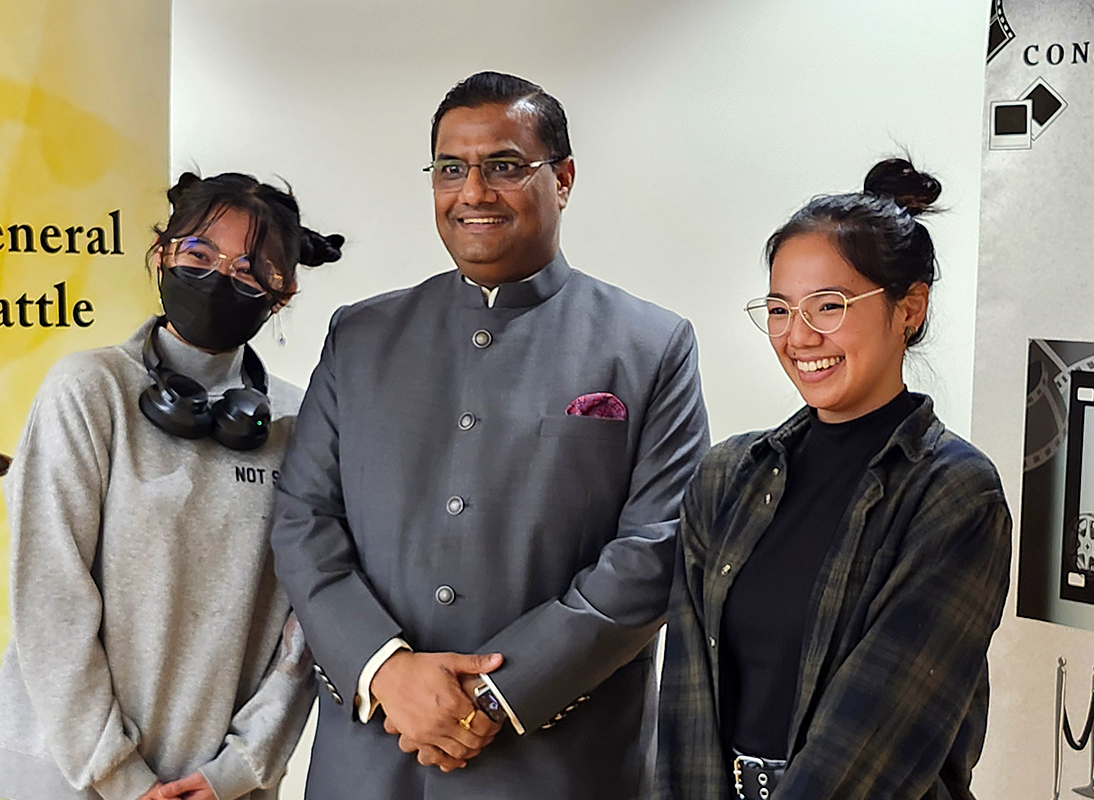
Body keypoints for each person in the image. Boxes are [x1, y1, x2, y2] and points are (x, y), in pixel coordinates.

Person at [271, 71, 710, 799]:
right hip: (370, 764)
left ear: (562, 179)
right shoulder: (360, 336)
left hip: (561, 769)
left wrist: (497, 694)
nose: (472, 192)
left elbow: (656, 549)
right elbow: (303, 518)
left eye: (504, 166)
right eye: (451, 169)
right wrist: (385, 668)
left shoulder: (650, 345)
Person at [0, 172, 343, 800]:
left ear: (281, 294)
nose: (219, 277)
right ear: (162, 254)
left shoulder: (300, 422)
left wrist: (240, 769)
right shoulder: (89, 390)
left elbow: (309, 621)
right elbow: (50, 598)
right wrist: (119, 777)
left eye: (249, 269)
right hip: (69, 776)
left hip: (222, 787)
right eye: (199, 254)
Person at [655, 158, 1012, 800]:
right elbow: (686, 710)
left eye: (829, 306)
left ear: (910, 308)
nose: (798, 336)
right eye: (779, 309)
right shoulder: (726, 479)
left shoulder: (953, 492)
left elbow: (881, 731)